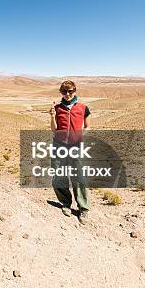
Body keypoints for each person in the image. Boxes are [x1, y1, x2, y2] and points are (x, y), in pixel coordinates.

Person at [49, 80, 91, 224]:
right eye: (64, 92)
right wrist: (51, 116)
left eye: (70, 91)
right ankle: (66, 203)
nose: (67, 94)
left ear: (75, 91)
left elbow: (87, 126)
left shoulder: (83, 108)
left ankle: (83, 209)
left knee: (79, 176)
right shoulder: (57, 108)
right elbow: (54, 129)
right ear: (61, 92)